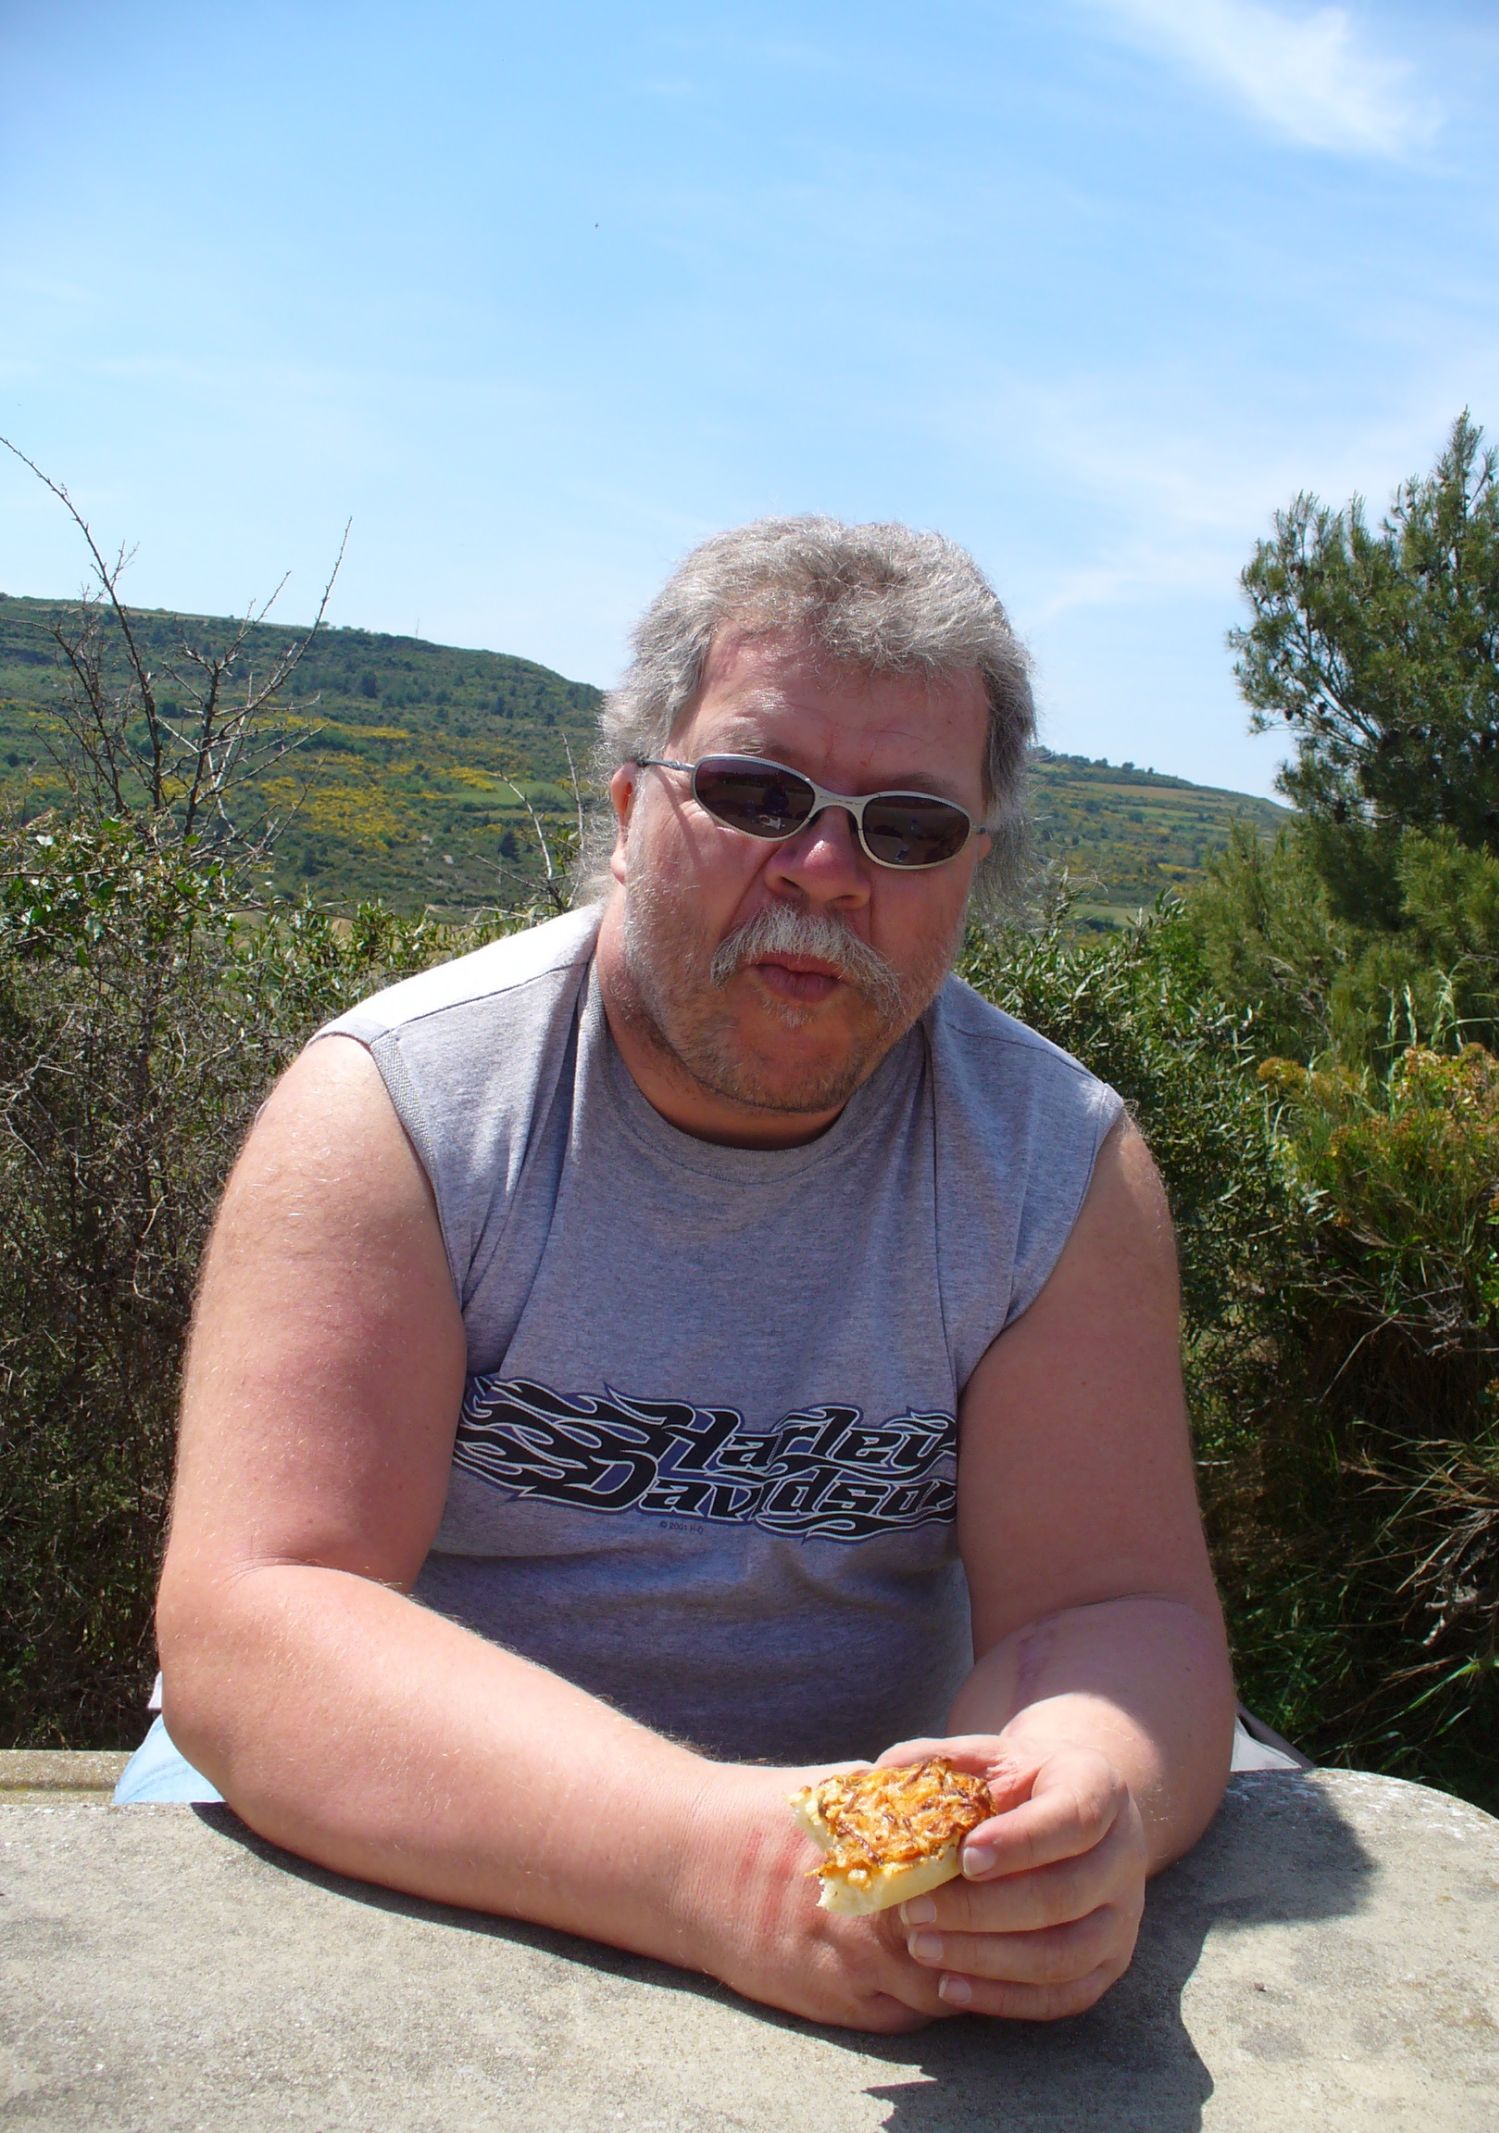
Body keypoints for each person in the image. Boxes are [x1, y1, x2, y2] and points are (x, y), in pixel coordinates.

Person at [119, 517, 1247, 2033]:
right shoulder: (401, 1109)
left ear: (977, 866)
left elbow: (1113, 1610)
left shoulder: (1055, 1169)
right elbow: (262, 1622)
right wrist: (714, 1863)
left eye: (910, 825)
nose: (827, 870)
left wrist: (1070, 1803)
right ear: (628, 804)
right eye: (756, 794)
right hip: (424, 1831)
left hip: (852, 1882)